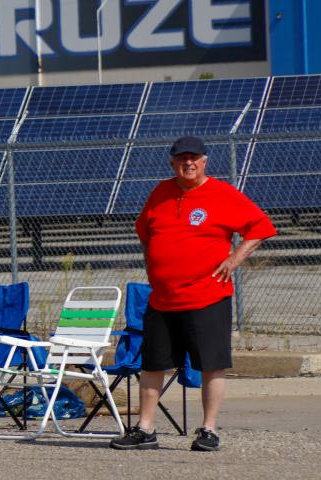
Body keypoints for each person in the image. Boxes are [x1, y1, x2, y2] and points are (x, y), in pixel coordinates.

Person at [111, 136, 276, 452]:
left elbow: (261, 227)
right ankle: (146, 429)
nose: (188, 163)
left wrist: (234, 259)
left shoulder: (222, 194)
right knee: (153, 364)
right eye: (181, 158)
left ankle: (208, 429)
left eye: (194, 158)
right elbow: (145, 233)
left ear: (204, 161)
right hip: (162, 298)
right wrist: (153, 266)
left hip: (207, 297)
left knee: (211, 364)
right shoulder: (161, 192)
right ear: (172, 162)